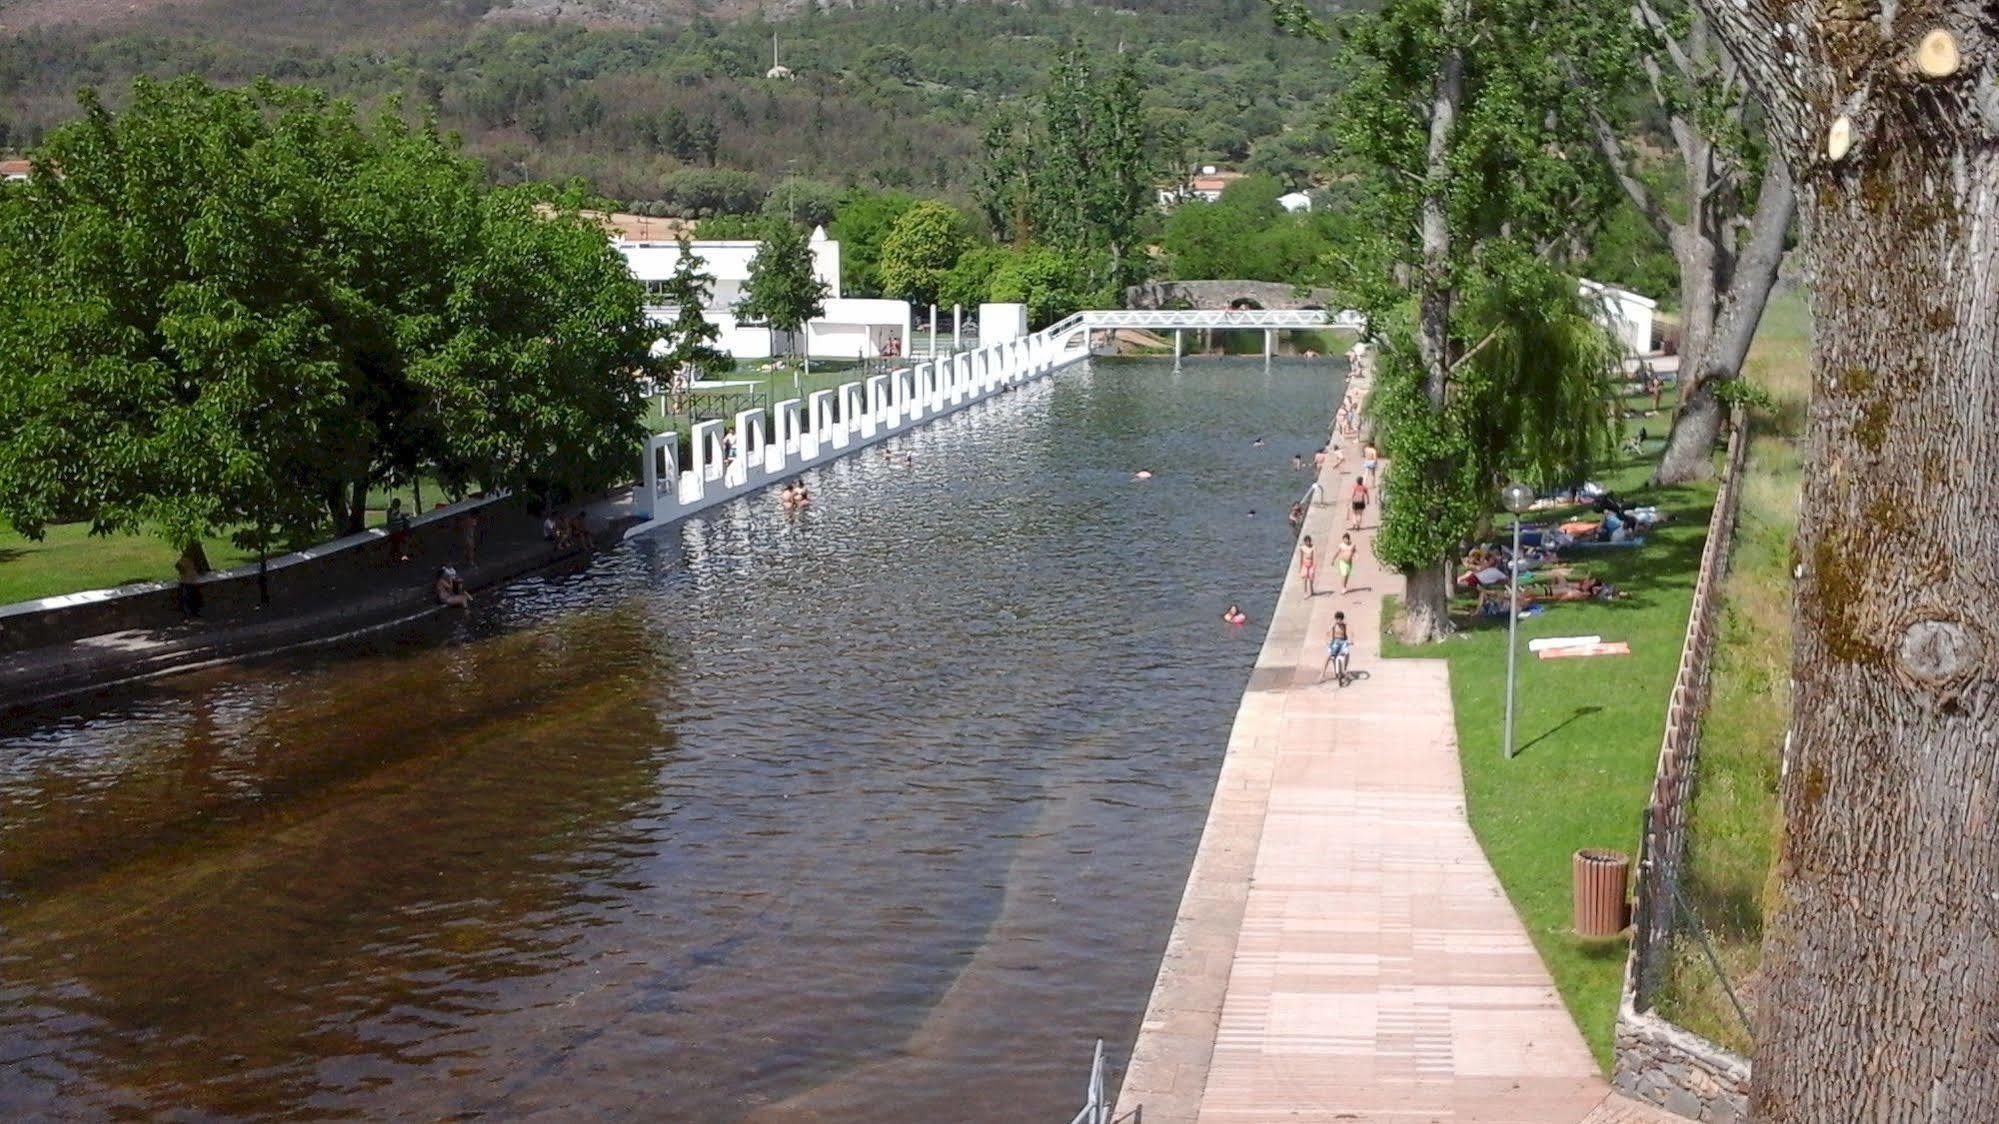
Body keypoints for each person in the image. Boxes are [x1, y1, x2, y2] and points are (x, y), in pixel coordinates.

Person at [175, 545, 205, 623]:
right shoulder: (196, 560)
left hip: (186, 582)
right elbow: (201, 571)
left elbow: (178, 566)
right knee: (194, 600)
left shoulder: (185, 559)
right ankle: (194, 615)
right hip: (193, 582)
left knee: (186, 601)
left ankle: (188, 617)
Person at [1321, 611, 1352, 682]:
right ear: (1335, 619)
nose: (1338, 621)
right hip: (1335, 642)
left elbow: (1351, 632)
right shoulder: (1334, 625)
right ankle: (1322, 673)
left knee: (1347, 653)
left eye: (1340, 619)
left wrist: (1351, 640)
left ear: (1342, 619)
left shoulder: (1345, 624)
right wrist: (1327, 641)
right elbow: (1328, 632)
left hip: (1343, 641)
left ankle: (1344, 670)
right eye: (1337, 619)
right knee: (1328, 656)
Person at [385, 498, 412, 563]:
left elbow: (399, 517)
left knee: (397, 544)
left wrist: (403, 517)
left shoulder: (396, 511)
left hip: (398, 530)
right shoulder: (391, 511)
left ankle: (396, 556)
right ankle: (399, 556)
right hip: (395, 531)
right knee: (398, 543)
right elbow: (393, 518)